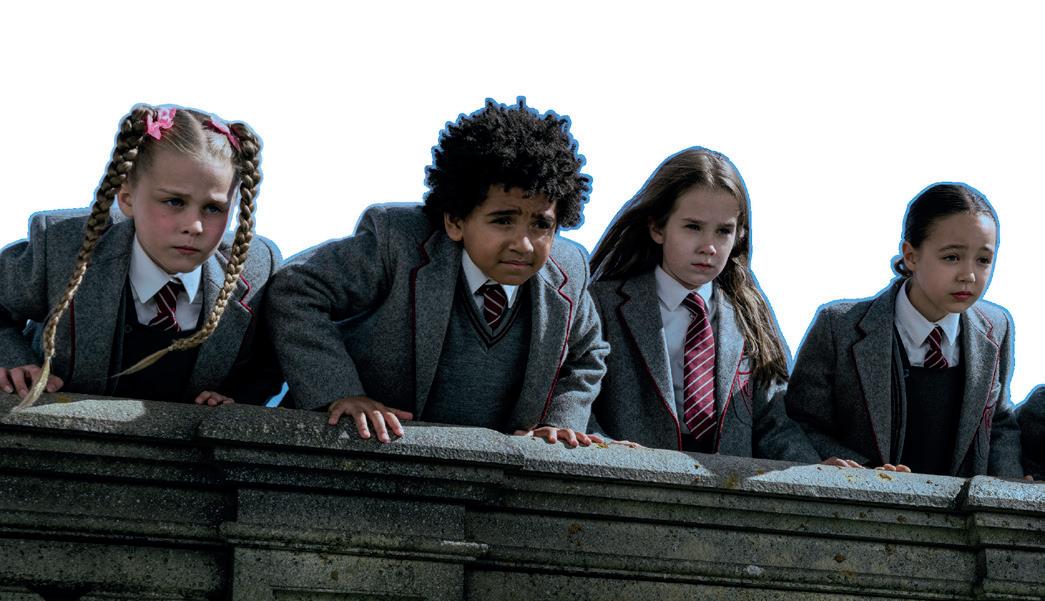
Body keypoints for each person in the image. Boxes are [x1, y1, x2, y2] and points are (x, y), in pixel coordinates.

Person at [265, 98, 608, 445]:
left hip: (485, 471)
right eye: (503, 220)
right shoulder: (397, 242)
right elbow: (296, 288)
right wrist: (340, 392)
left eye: (541, 224)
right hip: (360, 453)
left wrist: (559, 422)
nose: (524, 244)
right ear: (455, 221)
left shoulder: (568, 272)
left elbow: (587, 354)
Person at [0, 104, 282, 408]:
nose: (194, 226)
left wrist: (238, 399)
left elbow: (268, 360)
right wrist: (14, 362)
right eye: (174, 202)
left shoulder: (257, 268)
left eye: (213, 208)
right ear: (126, 198)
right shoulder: (63, 244)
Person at [586, 147, 818, 461]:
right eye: (693, 227)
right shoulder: (602, 305)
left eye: (723, 231)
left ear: (739, 235)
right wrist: (604, 447)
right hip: (627, 480)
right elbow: (578, 396)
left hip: (726, 486)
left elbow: (773, 423)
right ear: (657, 227)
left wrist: (819, 469)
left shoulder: (750, 314)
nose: (709, 247)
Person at [785, 183, 1023, 477]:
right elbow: (799, 423)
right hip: (861, 501)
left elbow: (999, 424)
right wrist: (859, 472)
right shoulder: (838, 327)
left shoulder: (997, 328)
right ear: (910, 255)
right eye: (951, 257)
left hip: (959, 506)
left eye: (983, 260)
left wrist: (1011, 485)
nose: (969, 275)